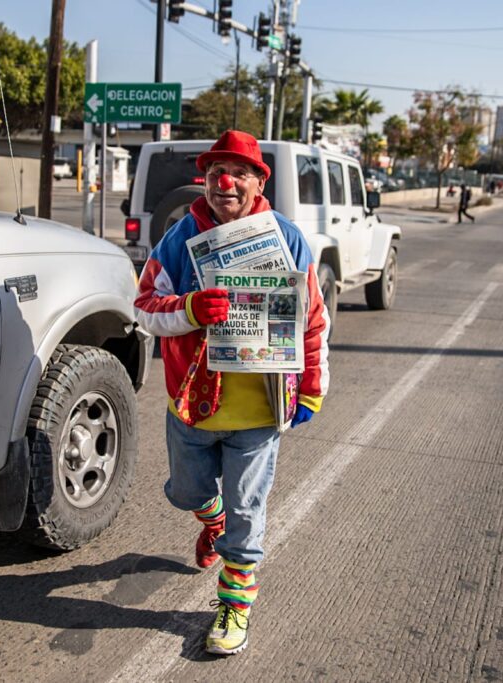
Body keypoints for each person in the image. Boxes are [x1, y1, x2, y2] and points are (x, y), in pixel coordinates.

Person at [134, 130, 329, 656]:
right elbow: (145, 306)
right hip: (193, 404)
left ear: (258, 181)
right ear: (206, 179)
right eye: (218, 170)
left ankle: (234, 607)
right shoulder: (178, 239)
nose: (227, 181)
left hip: (259, 408)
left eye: (240, 171)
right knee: (186, 493)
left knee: (249, 512)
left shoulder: (285, 238)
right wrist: (191, 310)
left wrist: (311, 386)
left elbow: (312, 317)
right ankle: (209, 516)